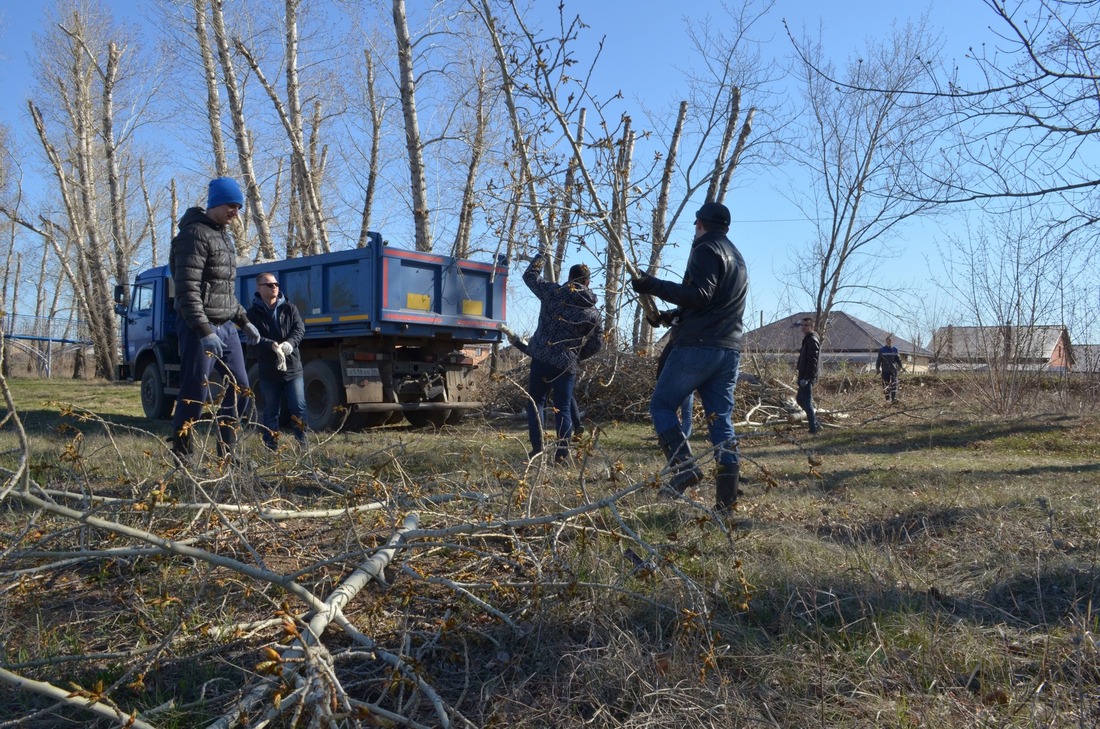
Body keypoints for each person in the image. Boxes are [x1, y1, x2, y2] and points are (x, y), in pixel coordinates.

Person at [631, 201, 747, 514]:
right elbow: (710, 304)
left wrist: (652, 285)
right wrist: (669, 316)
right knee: (721, 423)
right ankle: (727, 504)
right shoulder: (738, 257)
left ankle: (683, 467)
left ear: (700, 223)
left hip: (697, 347)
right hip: (728, 349)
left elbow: (700, 296)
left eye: (695, 224)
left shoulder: (705, 249)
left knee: (661, 405)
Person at [169, 177, 261, 461]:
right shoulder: (193, 235)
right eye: (232, 205)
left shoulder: (224, 237)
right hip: (200, 328)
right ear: (216, 203)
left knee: (241, 390)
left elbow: (224, 291)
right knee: (195, 392)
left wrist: (244, 321)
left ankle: (227, 454)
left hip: (227, 328)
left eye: (239, 206)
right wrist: (204, 330)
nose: (236, 211)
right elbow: (187, 290)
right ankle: (183, 456)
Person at [522, 254, 603, 463]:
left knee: (536, 404)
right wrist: (577, 355)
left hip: (541, 357)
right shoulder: (592, 312)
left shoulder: (553, 292)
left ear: (569, 278)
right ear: (587, 282)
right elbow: (597, 343)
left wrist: (541, 256)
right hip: (566, 364)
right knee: (563, 409)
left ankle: (537, 449)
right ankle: (562, 454)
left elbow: (529, 276)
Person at [247, 272, 307, 450]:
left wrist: (290, 343)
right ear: (259, 288)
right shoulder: (252, 314)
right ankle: (271, 448)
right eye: (269, 284)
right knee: (271, 412)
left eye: (276, 284)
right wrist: (270, 344)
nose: (274, 287)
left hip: (292, 369)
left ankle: (303, 447)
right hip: (269, 370)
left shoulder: (290, 308)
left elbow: (299, 329)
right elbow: (253, 337)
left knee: (299, 408)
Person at [505, 329, 585, 436]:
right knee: (566, 399)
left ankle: (539, 441)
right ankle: (575, 426)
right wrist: (577, 358)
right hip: (564, 365)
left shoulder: (545, 331)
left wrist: (516, 343)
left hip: (543, 366)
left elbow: (532, 351)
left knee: (538, 402)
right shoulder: (568, 331)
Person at [796, 317, 821, 434]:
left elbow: (813, 361)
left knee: (806, 401)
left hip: (807, 377)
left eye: (806, 325)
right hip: (802, 376)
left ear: (812, 327)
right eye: (802, 325)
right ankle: (816, 424)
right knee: (800, 400)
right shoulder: (807, 339)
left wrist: (806, 378)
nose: (803, 327)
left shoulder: (812, 340)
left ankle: (813, 428)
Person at [876, 334, 903, 403]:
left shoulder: (895, 350)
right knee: (886, 385)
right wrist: (877, 368)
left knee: (894, 384)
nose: (889, 342)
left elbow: (898, 360)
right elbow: (879, 360)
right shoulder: (882, 350)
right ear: (886, 341)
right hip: (885, 370)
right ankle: (887, 400)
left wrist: (901, 366)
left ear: (892, 341)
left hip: (893, 370)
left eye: (890, 340)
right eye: (888, 340)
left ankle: (893, 399)